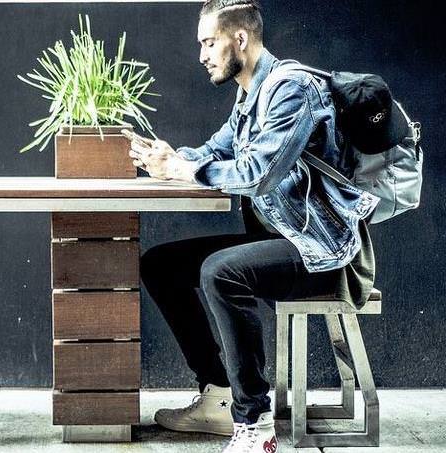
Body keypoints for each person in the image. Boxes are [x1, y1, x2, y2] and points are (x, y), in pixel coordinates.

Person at [129, 1, 379, 452]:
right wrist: (169, 158)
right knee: (161, 265)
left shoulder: (291, 90)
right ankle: (218, 394)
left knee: (221, 272)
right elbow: (216, 150)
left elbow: (258, 172)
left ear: (239, 39)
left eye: (209, 43)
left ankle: (255, 425)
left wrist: (184, 171)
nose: (202, 55)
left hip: (322, 250)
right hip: (278, 239)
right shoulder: (250, 95)